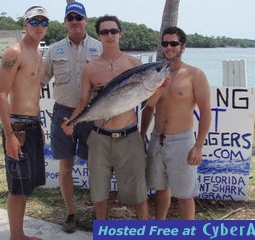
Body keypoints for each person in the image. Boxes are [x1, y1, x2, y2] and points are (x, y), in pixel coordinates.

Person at [61, 15, 148, 220]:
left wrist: (160, 87)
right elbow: (83, 102)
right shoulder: (91, 68)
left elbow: (150, 102)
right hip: (99, 137)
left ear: (120, 33)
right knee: (99, 192)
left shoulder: (134, 63)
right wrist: (71, 121)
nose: (110, 35)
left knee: (139, 192)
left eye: (114, 31)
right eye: (105, 32)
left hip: (129, 136)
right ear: (98, 36)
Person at [41, 2, 102, 232]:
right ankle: (70, 213)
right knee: (65, 167)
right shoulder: (54, 50)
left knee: (95, 166)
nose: (75, 21)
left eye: (79, 17)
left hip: (92, 113)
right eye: (70, 17)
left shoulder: (99, 48)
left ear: (86, 20)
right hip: (63, 114)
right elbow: (39, 80)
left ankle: (99, 212)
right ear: (65, 22)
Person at [140, 26, 211, 220]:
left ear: (183, 47)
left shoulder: (194, 74)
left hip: (182, 140)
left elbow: (205, 112)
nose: (169, 47)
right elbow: (148, 108)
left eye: (174, 43)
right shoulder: (156, 73)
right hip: (157, 137)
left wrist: (198, 146)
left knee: (185, 194)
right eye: (165, 43)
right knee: (160, 189)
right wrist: (141, 135)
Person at [0, 6, 49, 240]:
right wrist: (9, 135)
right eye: (34, 21)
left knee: (26, 187)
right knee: (17, 188)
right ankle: (15, 237)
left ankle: (20, 234)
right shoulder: (14, 53)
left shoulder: (38, 56)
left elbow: (32, 96)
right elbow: (0, 95)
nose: (39, 26)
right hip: (17, 126)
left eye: (43, 22)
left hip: (32, 125)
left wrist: (39, 127)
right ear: (25, 24)